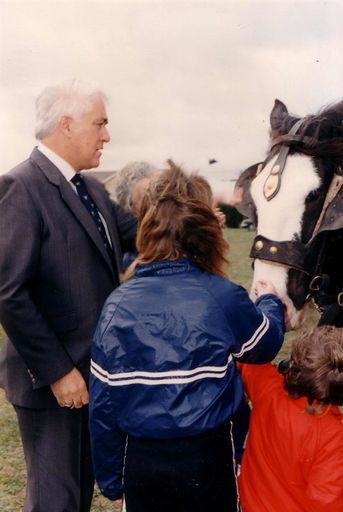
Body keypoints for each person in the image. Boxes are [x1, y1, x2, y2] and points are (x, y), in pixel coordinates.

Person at [89, 162, 285, 512]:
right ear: (208, 236)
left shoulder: (116, 303)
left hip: (141, 458)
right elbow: (264, 344)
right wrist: (269, 301)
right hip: (209, 455)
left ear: (146, 233)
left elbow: (104, 403)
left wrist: (110, 478)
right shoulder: (222, 295)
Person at [0, 79, 137, 512]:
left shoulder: (92, 189)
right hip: (52, 382)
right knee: (55, 500)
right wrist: (59, 372)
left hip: (92, 374)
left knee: (76, 494)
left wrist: (189, 217)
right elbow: (9, 292)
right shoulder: (21, 187)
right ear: (66, 124)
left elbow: (142, 235)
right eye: (100, 123)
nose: (106, 135)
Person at [238, 325, 343, 512]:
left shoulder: (268, 388)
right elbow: (328, 503)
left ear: (293, 364)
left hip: (249, 504)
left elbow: (245, 352)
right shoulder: (334, 437)